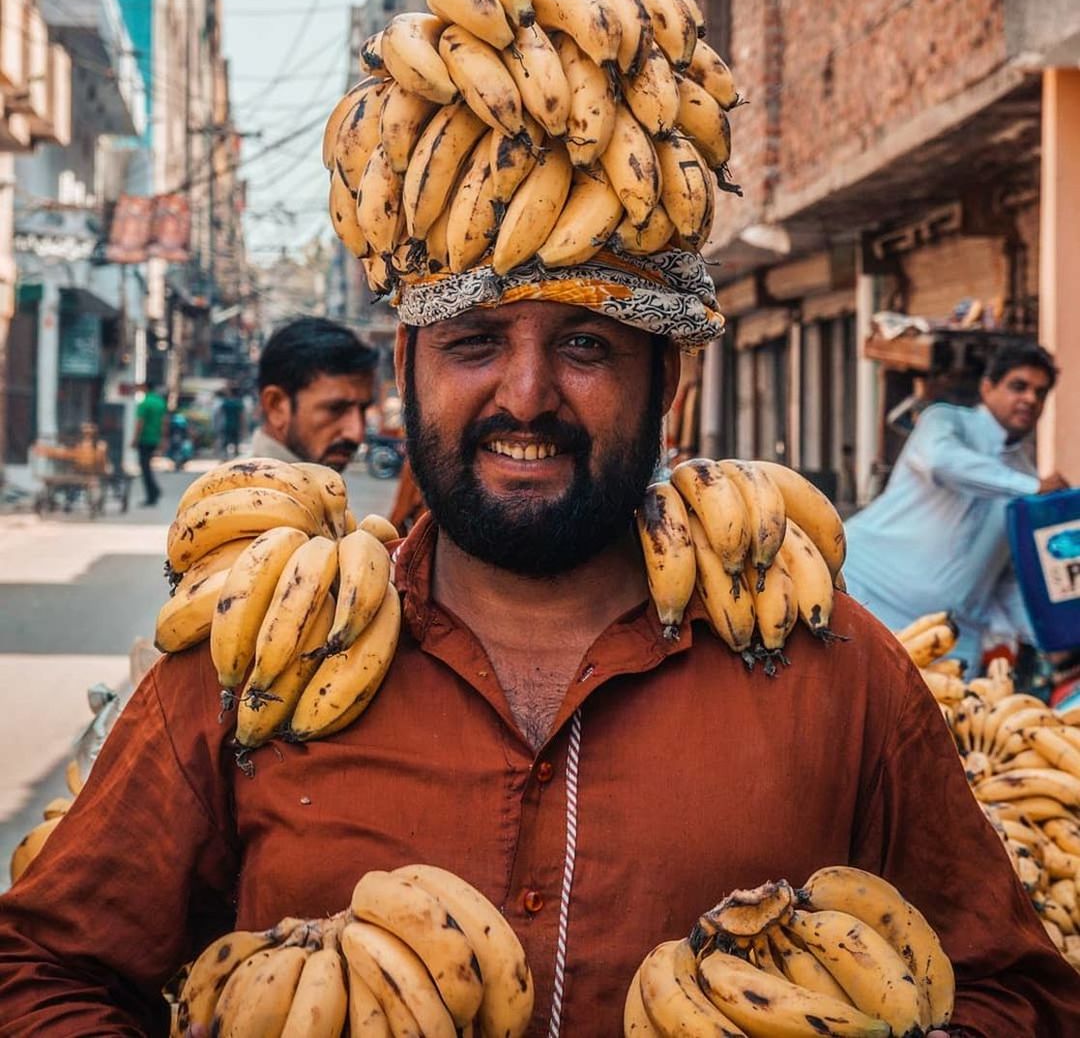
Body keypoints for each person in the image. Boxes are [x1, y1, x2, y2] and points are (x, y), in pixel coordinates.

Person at [0, 251, 1077, 1033]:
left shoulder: (834, 672)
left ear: (672, 383)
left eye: (587, 345)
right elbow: (41, 969)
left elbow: (1016, 987)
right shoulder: (255, 662)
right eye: (474, 342)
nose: (526, 395)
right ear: (410, 371)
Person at [844, 342, 1068, 672]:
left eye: (1041, 392)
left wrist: (1051, 638)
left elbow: (1004, 578)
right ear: (988, 386)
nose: (1030, 400)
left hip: (947, 641)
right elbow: (942, 463)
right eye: (1019, 386)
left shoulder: (1023, 474)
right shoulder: (944, 423)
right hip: (867, 598)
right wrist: (1032, 489)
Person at [249, 316, 378, 472]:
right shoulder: (242, 494)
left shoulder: (313, 489)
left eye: (363, 410)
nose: (356, 434)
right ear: (276, 406)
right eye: (335, 409)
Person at [131, 380, 167, 507]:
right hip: (155, 439)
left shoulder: (145, 403)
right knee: (147, 467)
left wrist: (135, 439)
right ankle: (154, 492)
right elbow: (164, 422)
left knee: (145, 468)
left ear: (145, 387)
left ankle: (152, 495)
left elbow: (140, 423)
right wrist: (163, 439)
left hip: (144, 439)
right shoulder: (160, 402)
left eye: (140, 387)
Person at [217, 385, 245, 459]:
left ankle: (225, 457)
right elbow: (241, 416)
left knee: (226, 442)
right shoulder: (238, 402)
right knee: (236, 442)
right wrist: (243, 427)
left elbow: (220, 413)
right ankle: (236, 457)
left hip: (227, 425)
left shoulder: (226, 402)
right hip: (236, 425)